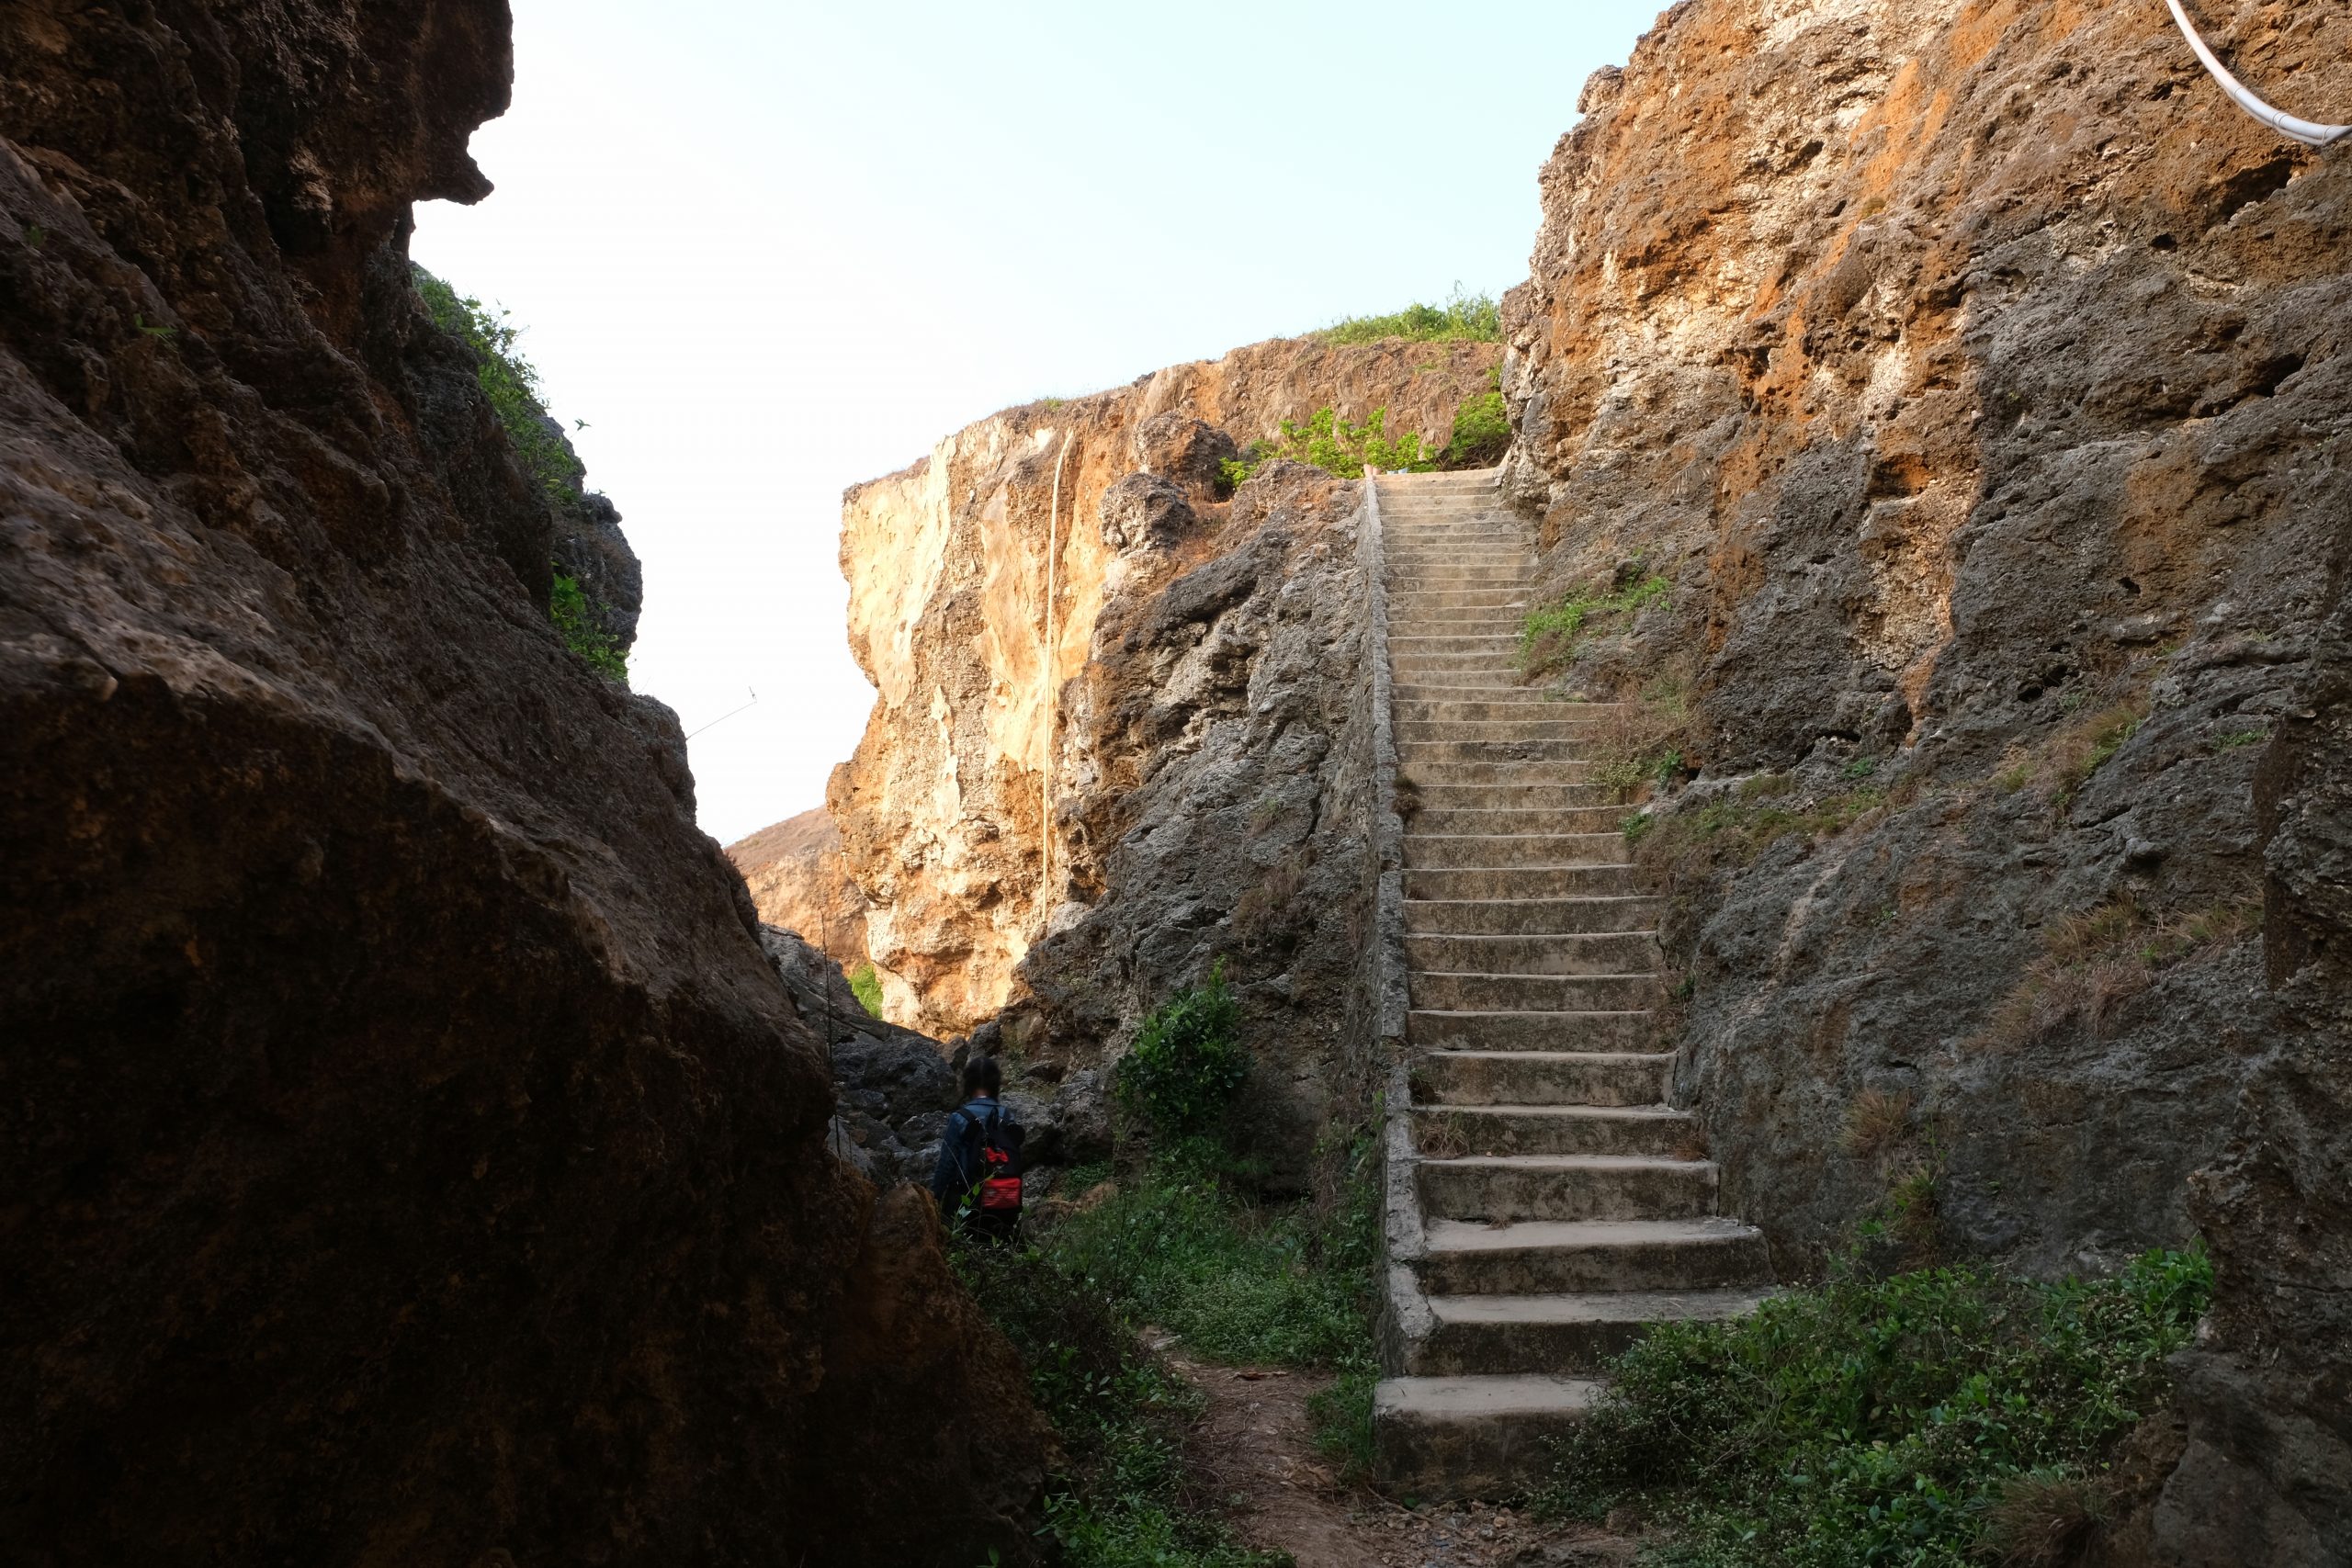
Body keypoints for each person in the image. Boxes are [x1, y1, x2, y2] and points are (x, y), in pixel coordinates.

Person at [930, 1056, 1025, 1239]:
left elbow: (947, 1163)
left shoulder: (960, 1117)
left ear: (968, 1083)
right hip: (1002, 1199)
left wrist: (934, 1197)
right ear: (995, 1083)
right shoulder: (1005, 1116)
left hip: (966, 1202)